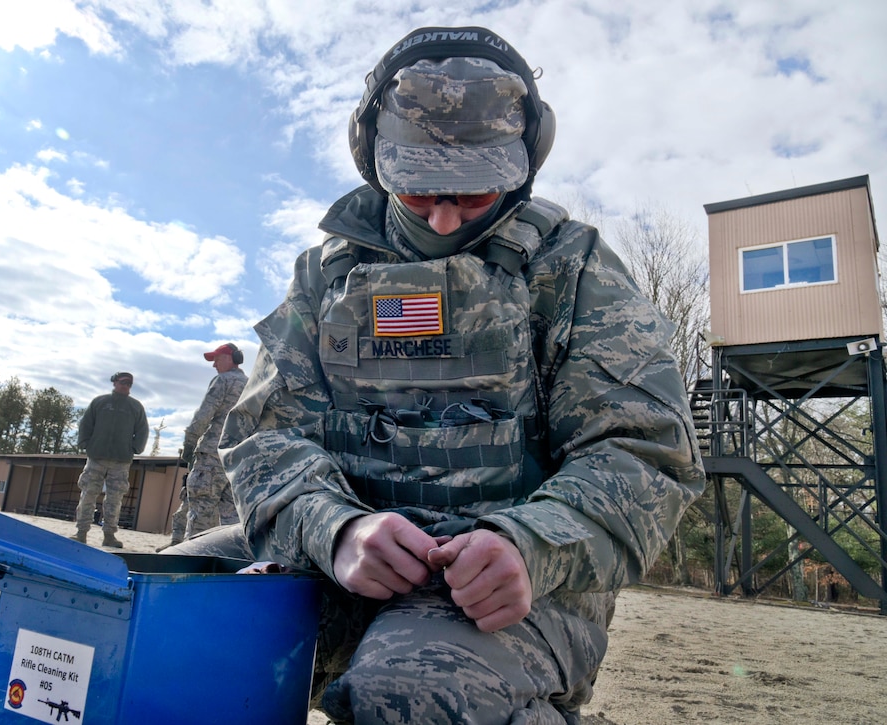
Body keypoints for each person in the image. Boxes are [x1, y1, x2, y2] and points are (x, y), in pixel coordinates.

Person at [165, 26, 705, 724]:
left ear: (522, 164)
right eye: (418, 188)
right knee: (169, 618)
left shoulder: (572, 270)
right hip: (339, 559)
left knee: (417, 689)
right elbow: (266, 439)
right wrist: (337, 529)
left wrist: (530, 543)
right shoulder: (324, 274)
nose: (445, 216)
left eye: (475, 192)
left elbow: (646, 450)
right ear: (373, 158)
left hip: (514, 587)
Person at [169, 343, 248, 545]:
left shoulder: (223, 380)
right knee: (231, 520)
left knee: (200, 514)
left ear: (232, 358)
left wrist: (190, 442)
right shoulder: (252, 384)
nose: (214, 365)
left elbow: (204, 414)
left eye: (217, 359)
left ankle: (189, 562)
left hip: (212, 457)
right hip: (238, 461)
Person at [71, 372, 149, 548]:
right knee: (88, 494)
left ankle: (109, 536)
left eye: (129, 383)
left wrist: (135, 448)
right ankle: (81, 532)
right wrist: (85, 443)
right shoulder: (100, 402)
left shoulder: (135, 407)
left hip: (121, 461)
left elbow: (142, 430)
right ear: (114, 383)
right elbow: (86, 423)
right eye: (122, 382)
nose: (125, 386)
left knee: (115, 499)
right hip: (96, 457)